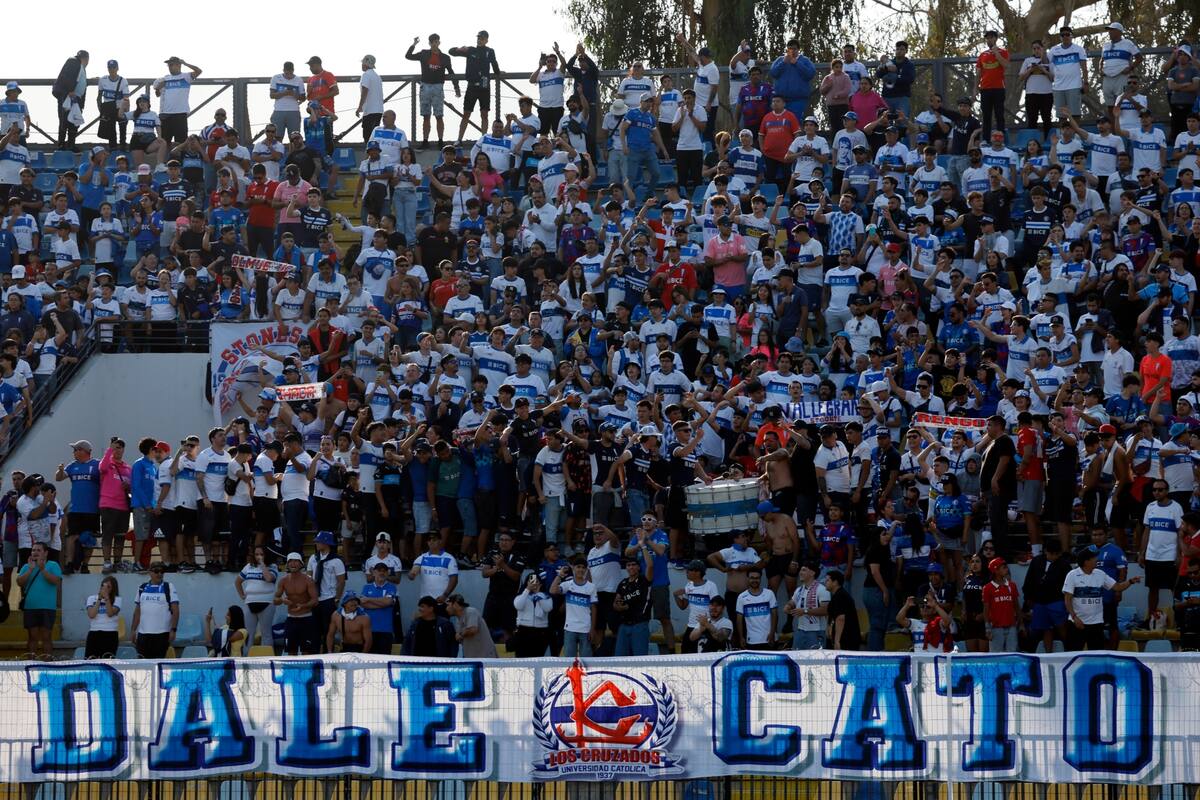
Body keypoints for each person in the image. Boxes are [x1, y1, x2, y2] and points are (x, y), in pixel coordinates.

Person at [1064, 544, 1141, 650]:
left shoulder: (1100, 574)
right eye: (1094, 558)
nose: (1097, 559)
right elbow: (1067, 599)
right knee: (1072, 654)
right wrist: (1074, 617)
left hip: (1096, 624)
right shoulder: (1072, 575)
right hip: (1077, 623)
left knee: (1096, 656)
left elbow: (1117, 587)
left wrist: (1131, 581)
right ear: (1086, 561)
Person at [17, 542, 61, 658]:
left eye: (38, 550)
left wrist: (42, 569)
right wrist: (30, 570)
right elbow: (19, 582)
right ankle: (31, 663)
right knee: (32, 637)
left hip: (47, 607)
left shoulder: (53, 565)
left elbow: (56, 581)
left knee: (47, 637)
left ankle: (48, 664)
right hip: (30, 607)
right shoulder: (27, 566)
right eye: (33, 550)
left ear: (45, 553)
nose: (35, 552)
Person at [129, 561, 178, 659]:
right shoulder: (142, 588)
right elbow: (137, 611)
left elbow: (175, 610)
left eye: (162, 571)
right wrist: (133, 630)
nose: (159, 574)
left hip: (161, 634)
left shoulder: (168, 587)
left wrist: (173, 630)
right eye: (156, 571)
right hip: (143, 634)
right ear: (150, 572)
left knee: (157, 663)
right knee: (143, 664)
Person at [308, 530, 346, 650]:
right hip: (315, 599)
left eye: (319, 541)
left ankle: (327, 654)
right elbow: (309, 576)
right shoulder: (313, 558)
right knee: (314, 630)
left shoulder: (337, 560)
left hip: (329, 598)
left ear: (326, 543)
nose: (316, 544)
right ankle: (314, 655)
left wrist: (337, 598)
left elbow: (341, 581)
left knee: (328, 630)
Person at [274, 552, 319, 656]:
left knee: (306, 651)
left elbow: (315, 600)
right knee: (291, 651)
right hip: (291, 619)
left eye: (295, 561)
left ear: (301, 564)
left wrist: (303, 606)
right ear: (287, 564)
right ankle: (292, 672)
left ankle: (307, 672)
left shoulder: (308, 580)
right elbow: (275, 600)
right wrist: (282, 600)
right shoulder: (283, 581)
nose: (293, 564)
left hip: (306, 618)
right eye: (290, 561)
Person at [236, 545, 277, 655]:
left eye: (261, 554)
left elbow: (269, 578)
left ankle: (266, 659)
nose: (259, 556)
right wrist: (242, 595)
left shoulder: (273, 566)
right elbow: (238, 581)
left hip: (267, 603)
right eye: (256, 554)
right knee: (248, 633)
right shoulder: (249, 566)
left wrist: (262, 565)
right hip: (250, 602)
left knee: (266, 633)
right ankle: (246, 660)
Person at [784, 562, 830, 650]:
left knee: (815, 661)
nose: (800, 572)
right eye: (800, 570)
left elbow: (826, 610)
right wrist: (788, 606)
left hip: (816, 632)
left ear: (812, 573)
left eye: (804, 570)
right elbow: (793, 601)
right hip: (800, 630)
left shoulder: (822, 589)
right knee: (797, 659)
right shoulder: (799, 589)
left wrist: (805, 611)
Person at [613, 556, 653, 656]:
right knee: (619, 659)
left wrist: (643, 546)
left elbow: (650, 565)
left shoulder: (644, 579)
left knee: (639, 659)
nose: (631, 567)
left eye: (634, 565)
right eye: (628, 565)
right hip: (624, 625)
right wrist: (618, 606)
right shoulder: (622, 583)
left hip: (640, 624)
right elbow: (616, 602)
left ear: (639, 567)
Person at [51, 50, 88, 151]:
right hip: (67, 96)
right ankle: (62, 144)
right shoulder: (73, 62)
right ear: (86, 59)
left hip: (76, 99)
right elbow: (65, 78)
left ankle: (71, 144)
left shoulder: (80, 66)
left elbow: (78, 80)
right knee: (64, 120)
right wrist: (68, 91)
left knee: (74, 121)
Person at [361, 560, 400, 655]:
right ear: (374, 573)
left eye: (384, 571)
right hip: (369, 630)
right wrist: (382, 603)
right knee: (369, 659)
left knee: (384, 659)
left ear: (387, 573)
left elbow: (388, 601)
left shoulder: (392, 587)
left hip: (385, 630)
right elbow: (363, 603)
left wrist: (369, 599)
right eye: (379, 570)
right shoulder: (366, 587)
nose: (381, 573)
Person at [982, 557, 1020, 651]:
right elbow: (986, 610)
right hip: (995, 628)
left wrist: (1021, 623)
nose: (1006, 569)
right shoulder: (988, 588)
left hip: (1011, 627)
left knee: (1012, 655)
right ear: (995, 570)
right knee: (996, 656)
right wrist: (987, 628)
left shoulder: (1012, 585)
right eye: (1003, 567)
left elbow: (1016, 606)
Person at [447, 593, 497, 657]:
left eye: (448, 605)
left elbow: (473, 629)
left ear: (455, 604)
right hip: (472, 658)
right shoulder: (458, 619)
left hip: (486, 657)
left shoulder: (470, 611)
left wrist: (460, 634)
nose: (446, 609)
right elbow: (459, 638)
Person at [84, 575, 121, 658]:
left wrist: (107, 598)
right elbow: (91, 615)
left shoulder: (117, 599)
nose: (105, 589)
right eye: (103, 586)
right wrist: (99, 599)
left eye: (108, 587)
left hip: (110, 633)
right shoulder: (91, 598)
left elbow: (110, 613)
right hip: (94, 632)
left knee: (108, 660)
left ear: (113, 589)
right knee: (91, 660)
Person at [824, 569, 861, 650]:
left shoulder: (841, 596)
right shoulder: (837, 595)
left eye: (828, 580)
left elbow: (840, 618)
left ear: (835, 582)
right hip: (842, 638)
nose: (825, 582)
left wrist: (837, 641)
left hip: (846, 639)